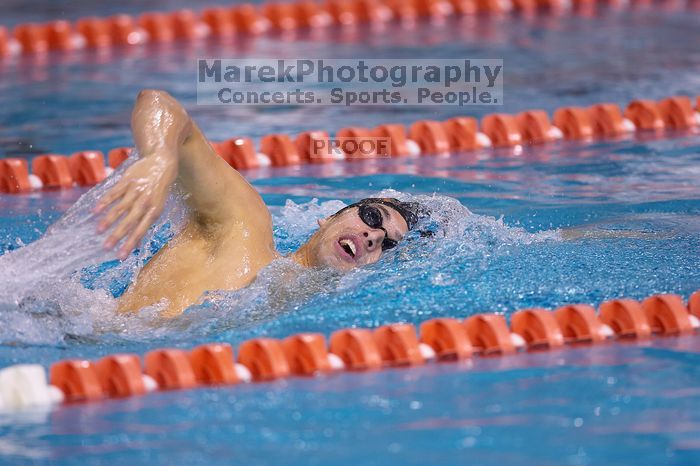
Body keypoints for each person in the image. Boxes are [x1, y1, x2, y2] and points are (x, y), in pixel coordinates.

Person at [94, 90, 423, 317]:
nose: (374, 236)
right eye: (371, 217)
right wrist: (159, 158)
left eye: (388, 245)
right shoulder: (244, 228)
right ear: (328, 218)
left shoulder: (297, 310)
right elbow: (159, 103)